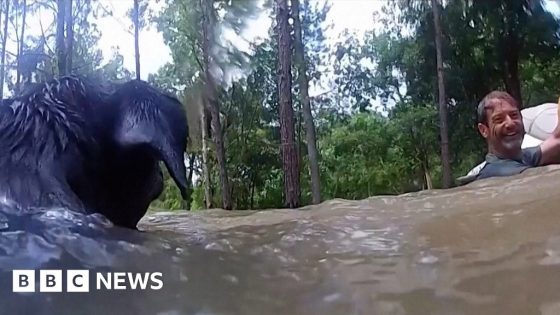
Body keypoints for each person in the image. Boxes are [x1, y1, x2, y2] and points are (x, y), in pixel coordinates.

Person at [475, 90, 560, 180]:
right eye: (499, 119)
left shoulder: (522, 156)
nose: (510, 123)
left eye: (514, 115)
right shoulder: (496, 172)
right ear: (484, 130)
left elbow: (557, 139)